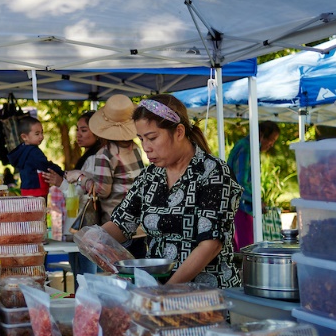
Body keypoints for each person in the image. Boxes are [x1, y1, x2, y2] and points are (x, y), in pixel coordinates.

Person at [103, 94, 242, 287]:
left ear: (178, 132)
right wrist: (92, 239)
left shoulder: (213, 172)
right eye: (141, 139)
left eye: (152, 138)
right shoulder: (150, 176)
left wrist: (168, 291)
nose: (146, 147)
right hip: (156, 290)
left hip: (207, 294)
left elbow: (210, 244)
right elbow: (121, 223)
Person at [42, 98, 146, 272]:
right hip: (139, 227)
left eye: (84, 130)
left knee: (118, 279)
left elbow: (102, 190)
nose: (79, 134)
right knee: (138, 279)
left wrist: (80, 177)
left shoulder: (105, 153)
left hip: (118, 227)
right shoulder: (134, 148)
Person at [226, 121, 280, 252]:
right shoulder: (246, 148)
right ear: (261, 135)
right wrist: (257, 202)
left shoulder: (246, 146)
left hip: (238, 206)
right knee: (247, 251)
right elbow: (240, 184)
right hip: (240, 207)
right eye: (271, 140)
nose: (271, 144)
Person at [7, 116, 64, 198]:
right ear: (24, 137)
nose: (41, 136)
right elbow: (46, 166)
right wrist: (61, 172)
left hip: (25, 189)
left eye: (42, 133)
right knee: (40, 206)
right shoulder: (34, 152)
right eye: (37, 134)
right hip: (38, 189)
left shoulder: (21, 151)